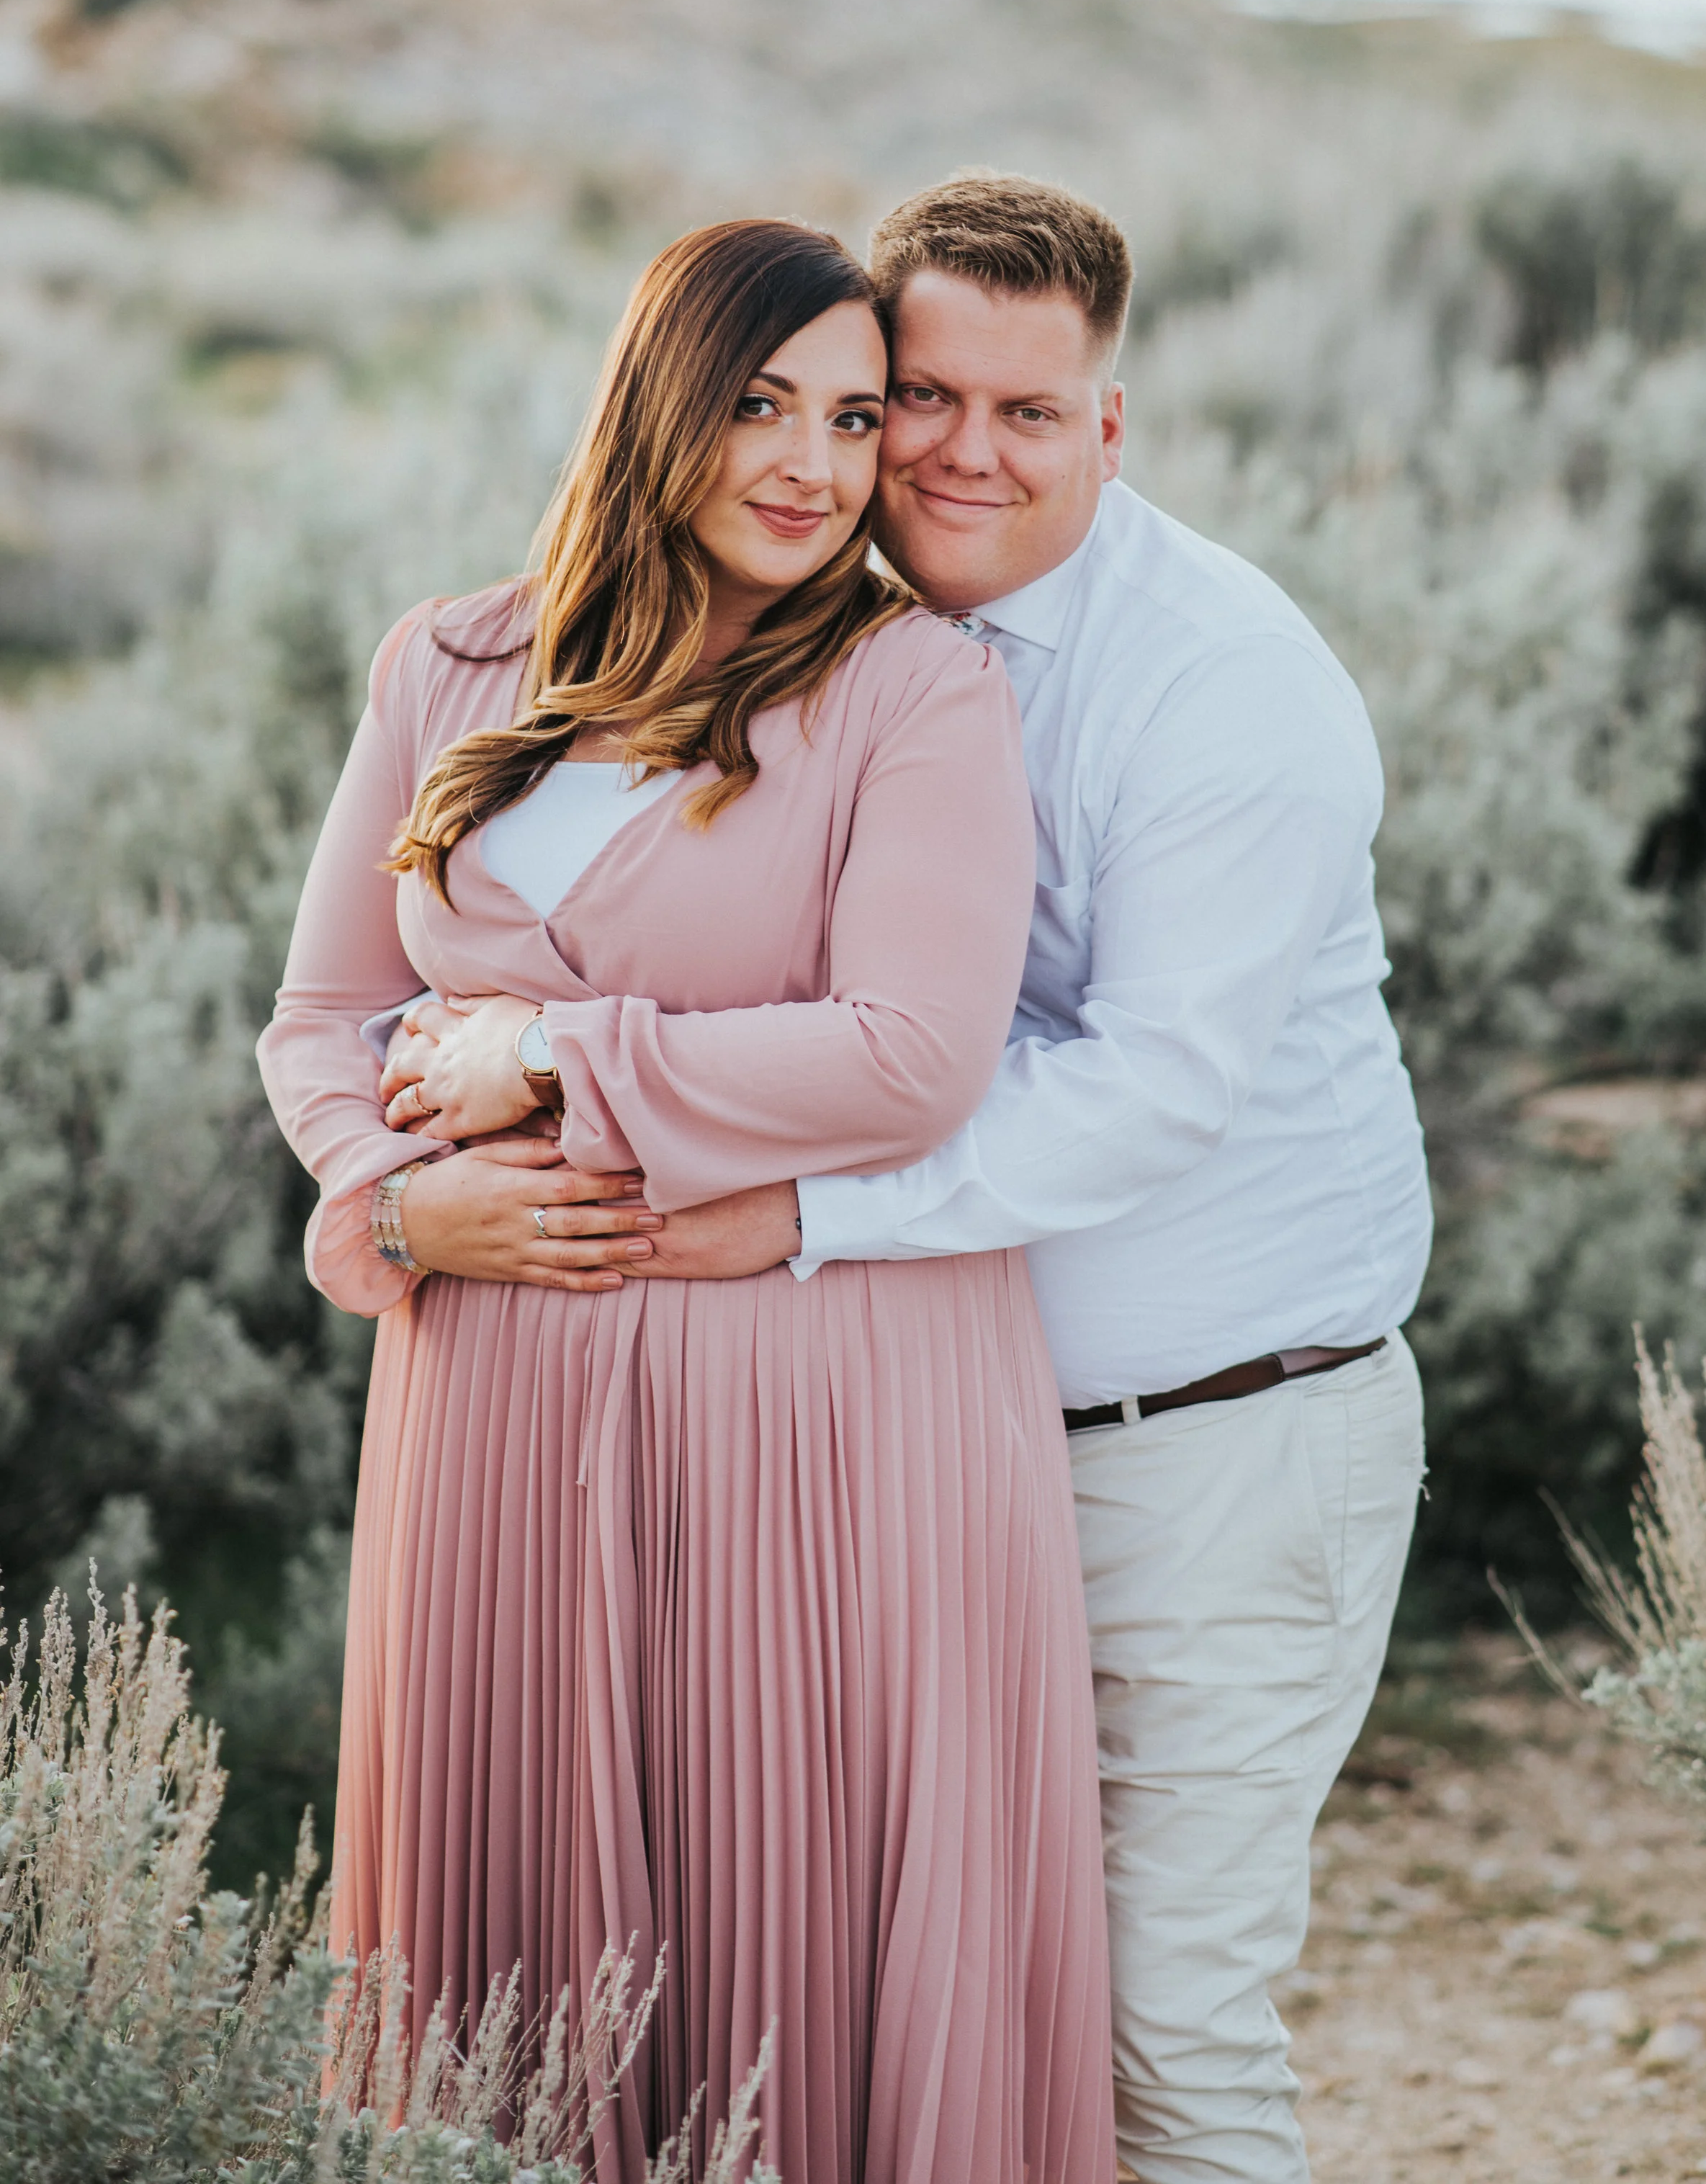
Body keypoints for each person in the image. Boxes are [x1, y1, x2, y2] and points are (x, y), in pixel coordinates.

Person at [567, 176, 1434, 2184]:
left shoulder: (1222, 685)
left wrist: (796, 1212)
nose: (961, 451)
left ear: (1107, 427)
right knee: (954, 2011)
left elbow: (1148, 1090)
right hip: (938, 1450)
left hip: (1212, 1446)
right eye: (917, 398)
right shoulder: (818, 637)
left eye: (1025, 412)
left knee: (1157, 2029)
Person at [257, 218, 1115, 2184]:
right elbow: (322, 1014)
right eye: (758, 405)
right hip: (485, 1421)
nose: (813, 464)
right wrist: (398, 1202)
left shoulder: (913, 691)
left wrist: (562, 1062)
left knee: (774, 1953)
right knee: (503, 1973)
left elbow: (914, 1051)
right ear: (659, 400)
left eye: (849, 414)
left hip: (810, 1415)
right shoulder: (453, 660)